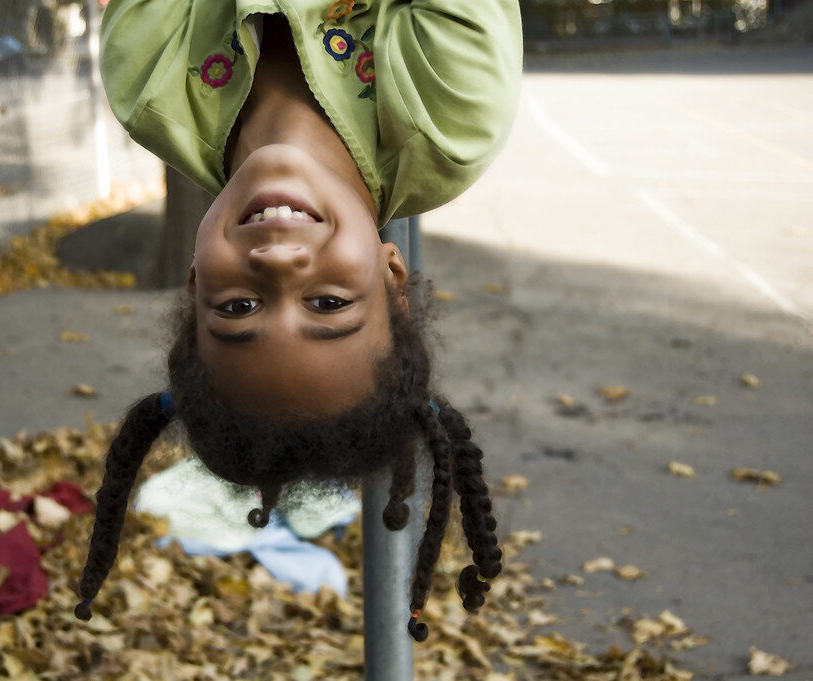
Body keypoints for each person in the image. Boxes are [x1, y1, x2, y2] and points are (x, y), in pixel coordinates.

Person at [76, 0, 522, 641]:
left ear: (197, 282)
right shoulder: (451, 113)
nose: (280, 261)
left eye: (237, 309)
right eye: (329, 304)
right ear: (391, 280)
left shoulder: (149, 85)